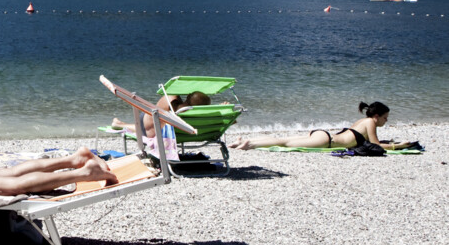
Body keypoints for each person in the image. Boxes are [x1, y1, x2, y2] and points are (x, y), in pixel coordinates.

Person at [230, 101, 413, 151]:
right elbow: (376, 145)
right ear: (376, 116)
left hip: (324, 135)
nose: (385, 121)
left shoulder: (361, 122)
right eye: (385, 118)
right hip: (327, 141)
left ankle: (246, 140)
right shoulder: (370, 122)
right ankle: (250, 144)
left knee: (284, 139)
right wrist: (399, 146)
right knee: (284, 143)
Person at [111, 91, 210, 135]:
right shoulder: (196, 114)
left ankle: (120, 124)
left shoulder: (172, 99)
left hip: (150, 123)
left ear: (188, 96)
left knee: (145, 128)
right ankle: (121, 124)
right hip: (156, 122)